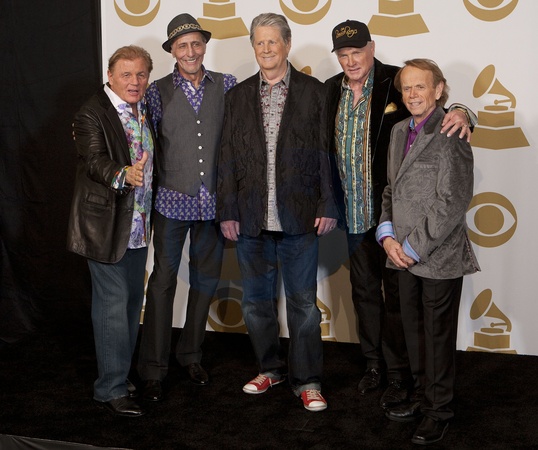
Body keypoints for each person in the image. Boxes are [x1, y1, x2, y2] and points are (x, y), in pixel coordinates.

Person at [325, 20, 477, 409]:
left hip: (409, 232)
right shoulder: (329, 90)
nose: (351, 60)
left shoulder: (397, 80)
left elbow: (440, 111)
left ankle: (403, 379)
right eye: (343, 54)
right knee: (366, 296)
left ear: (372, 49)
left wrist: (464, 112)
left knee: (403, 307)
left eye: (357, 51)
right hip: (358, 217)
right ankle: (377, 367)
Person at [217, 12, 338, 412]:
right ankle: (270, 369)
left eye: (273, 41)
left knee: (303, 306)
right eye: (260, 42)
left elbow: (326, 152)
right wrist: (227, 210)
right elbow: (226, 156)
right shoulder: (237, 96)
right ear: (253, 47)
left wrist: (327, 203)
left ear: (287, 44)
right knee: (255, 304)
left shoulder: (314, 93)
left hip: (299, 216)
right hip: (250, 218)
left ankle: (308, 381)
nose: (266, 49)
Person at [376, 58, 479, 444]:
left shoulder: (452, 128)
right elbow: (391, 190)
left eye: (420, 86)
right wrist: (387, 237)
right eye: (406, 87)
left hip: (437, 256)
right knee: (413, 333)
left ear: (438, 90)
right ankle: (422, 397)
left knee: (436, 338)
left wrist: (413, 247)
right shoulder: (398, 130)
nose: (412, 94)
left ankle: (439, 411)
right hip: (400, 255)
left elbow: (453, 200)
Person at [137, 13, 237, 402]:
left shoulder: (227, 85)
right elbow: (143, 140)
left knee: (205, 281)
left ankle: (191, 354)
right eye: (182, 45)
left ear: (205, 46)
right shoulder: (155, 91)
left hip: (213, 205)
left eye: (196, 43)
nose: (190, 51)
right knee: (162, 283)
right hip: (170, 201)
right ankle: (153, 368)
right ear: (172, 51)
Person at [67, 45, 156, 417]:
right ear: (110, 76)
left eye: (141, 74)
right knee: (112, 307)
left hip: (138, 224)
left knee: (132, 304)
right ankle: (110, 389)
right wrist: (124, 174)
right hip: (105, 225)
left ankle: (119, 374)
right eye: (126, 74)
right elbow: (94, 160)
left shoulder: (143, 108)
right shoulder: (92, 112)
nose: (134, 81)